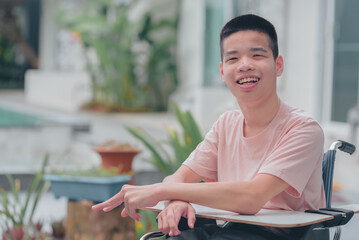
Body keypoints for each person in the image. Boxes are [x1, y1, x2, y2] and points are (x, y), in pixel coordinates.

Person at [92, 14, 326, 239]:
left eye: (257, 55)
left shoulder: (303, 129)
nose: (245, 65)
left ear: (278, 65)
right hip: (227, 230)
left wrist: (159, 192)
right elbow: (178, 178)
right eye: (233, 58)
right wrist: (177, 201)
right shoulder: (226, 124)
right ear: (223, 72)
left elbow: (253, 196)